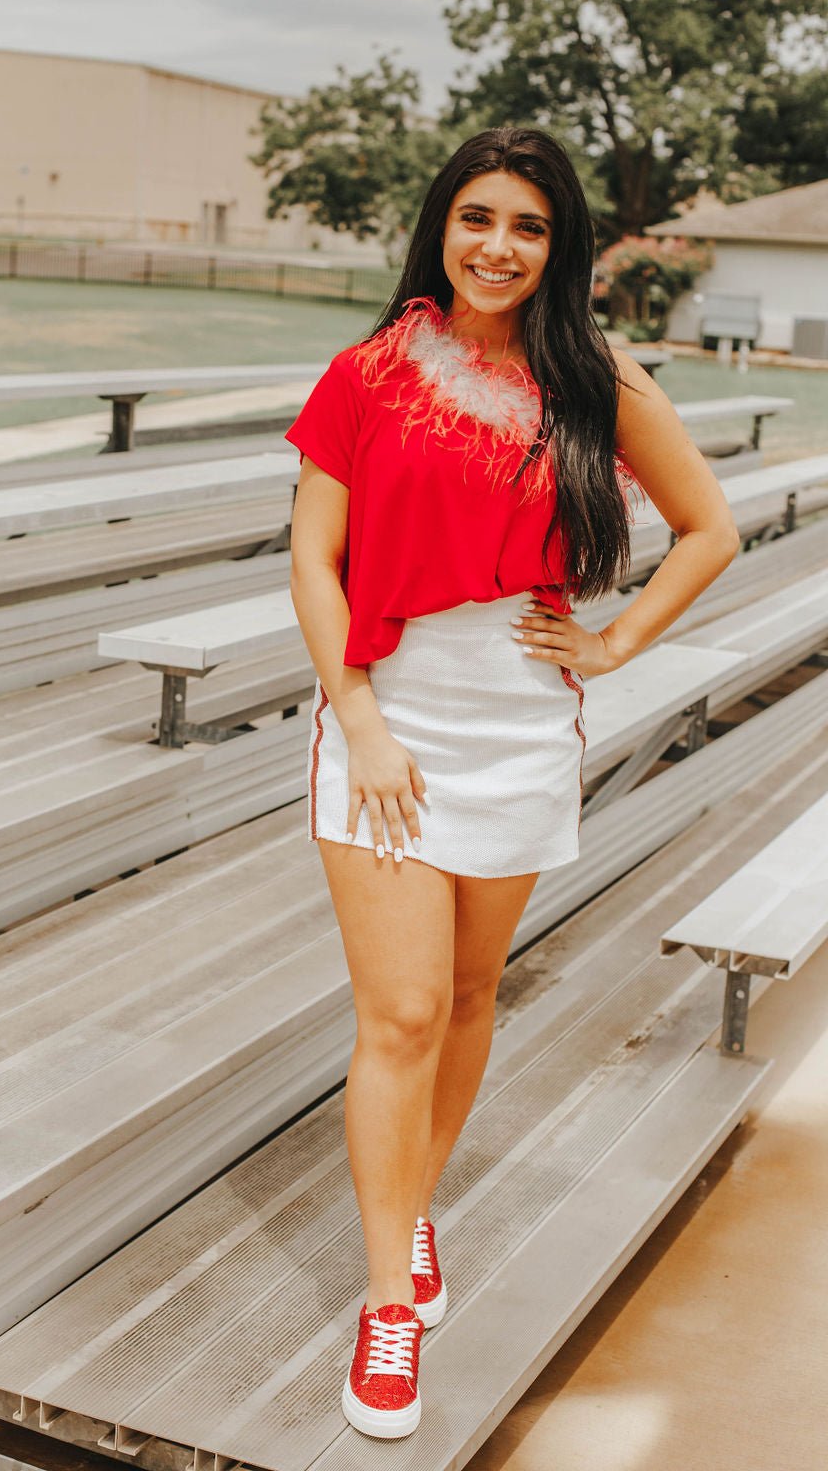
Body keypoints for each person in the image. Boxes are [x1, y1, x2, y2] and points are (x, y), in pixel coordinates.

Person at [286, 125, 740, 1440]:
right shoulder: (369, 373)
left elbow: (709, 530)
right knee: (405, 1012)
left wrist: (612, 641)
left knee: (475, 994)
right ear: (441, 225)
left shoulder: (597, 375)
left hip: (523, 714)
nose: (496, 246)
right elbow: (315, 562)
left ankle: (411, 1209)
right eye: (476, 217)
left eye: (528, 226)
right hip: (388, 708)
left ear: (561, 247)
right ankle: (388, 1300)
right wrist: (360, 718)